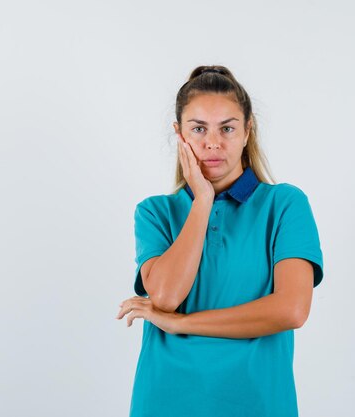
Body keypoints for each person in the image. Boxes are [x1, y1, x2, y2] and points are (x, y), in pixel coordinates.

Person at [115, 65, 324, 417]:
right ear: (179, 134)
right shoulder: (154, 212)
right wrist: (202, 201)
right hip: (165, 402)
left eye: (227, 128)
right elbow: (165, 297)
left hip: (257, 404)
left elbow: (291, 309)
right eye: (199, 129)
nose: (213, 143)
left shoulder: (285, 205)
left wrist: (181, 323)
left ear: (247, 131)